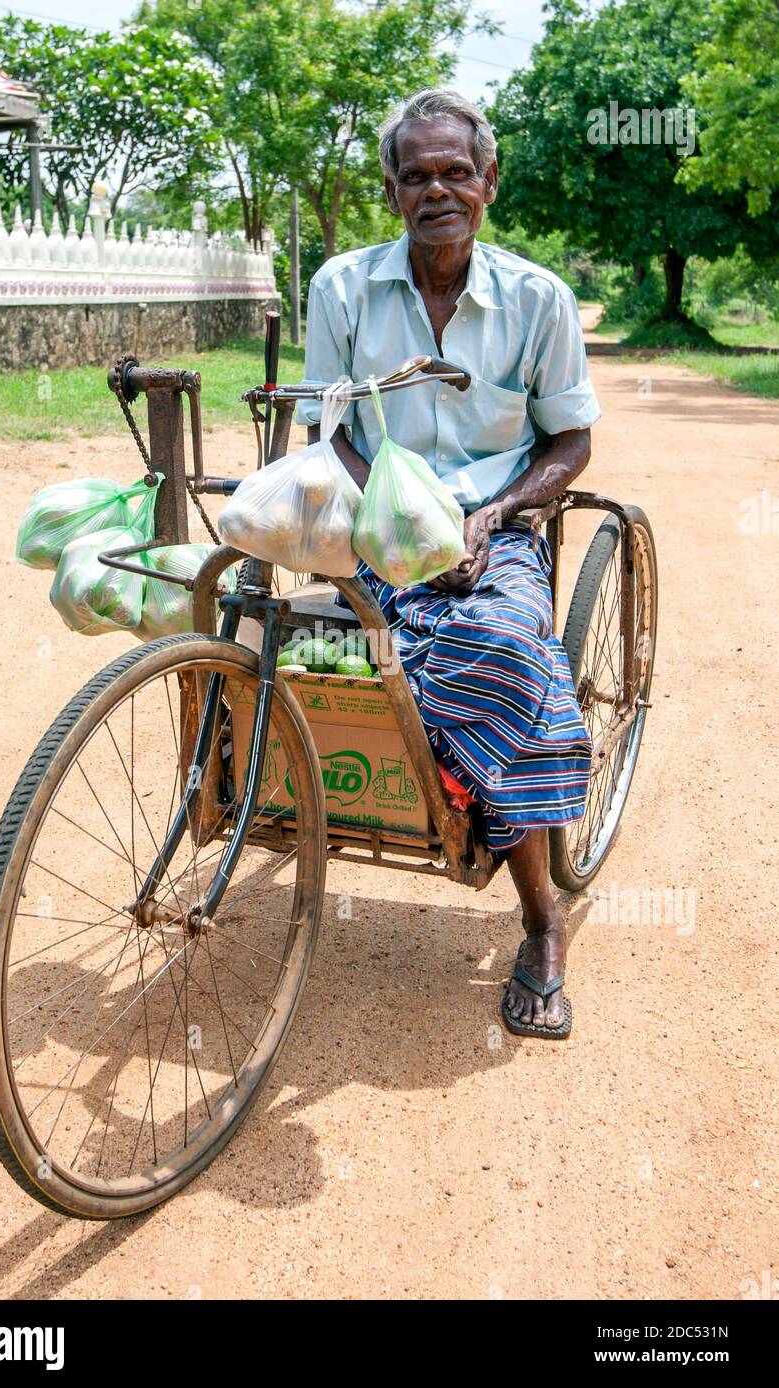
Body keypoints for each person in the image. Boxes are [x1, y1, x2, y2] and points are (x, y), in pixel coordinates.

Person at [296, 89, 600, 1038]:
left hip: (498, 530)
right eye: (417, 174)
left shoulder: (537, 299)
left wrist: (494, 512)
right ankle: (461, 768)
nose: (438, 189)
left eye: (456, 172)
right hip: (379, 526)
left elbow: (570, 441)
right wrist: (404, 516)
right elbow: (331, 427)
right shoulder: (342, 287)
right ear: (391, 191)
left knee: (507, 647)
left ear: (488, 184)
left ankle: (542, 919)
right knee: (284, 636)